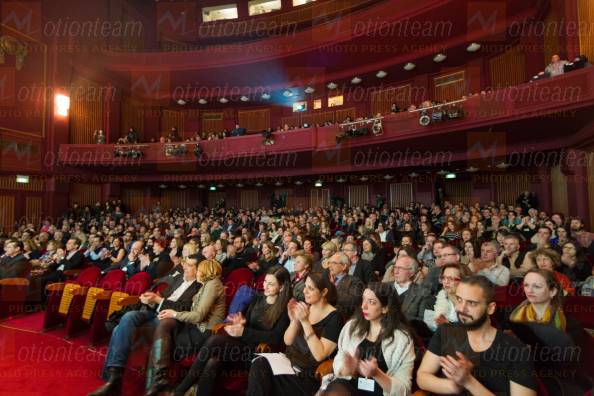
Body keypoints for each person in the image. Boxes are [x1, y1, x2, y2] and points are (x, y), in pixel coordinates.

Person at [88, 257, 201, 396]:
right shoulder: (179, 280)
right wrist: (150, 299)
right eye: (185, 264)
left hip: (168, 322)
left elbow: (185, 308)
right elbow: (161, 298)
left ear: (198, 269)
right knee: (129, 316)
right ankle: (115, 377)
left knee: (118, 329)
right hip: (153, 313)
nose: (184, 267)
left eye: (189, 265)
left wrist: (158, 300)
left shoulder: (199, 287)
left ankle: (113, 379)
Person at [172, 266, 291, 396]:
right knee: (213, 362)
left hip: (258, 355)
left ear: (282, 287)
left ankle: (179, 390)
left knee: (215, 340)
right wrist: (242, 323)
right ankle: (185, 390)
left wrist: (244, 332)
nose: (265, 286)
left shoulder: (285, 308)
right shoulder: (258, 298)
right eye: (265, 282)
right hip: (242, 346)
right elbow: (249, 324)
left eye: (271, 284)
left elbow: (275, 337)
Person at [416, 276, 537, 396]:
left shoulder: (515, 350)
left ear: (490, 308)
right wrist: (454, 386)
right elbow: (422, 377)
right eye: (459, 299)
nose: (462, 308)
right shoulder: (445, 332)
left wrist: (468, 381)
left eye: (472, 303)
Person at [246, 272, 341, 396]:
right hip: (288, 363)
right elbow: (288, 341)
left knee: (264, 380)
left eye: (311, 289)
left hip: (307, 375)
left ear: (323, 292)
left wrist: (305, 323)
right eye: (305, 286)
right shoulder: (305, 307)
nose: (305, 291)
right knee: (259, 363)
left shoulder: (335, 317)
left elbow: (319, 355)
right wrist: (295, 321)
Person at [144, 259, 226, 396]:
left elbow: (198, 316)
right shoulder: (207, 285)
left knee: (164, 342)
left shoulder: (213, 285)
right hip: (195, 328)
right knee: (162, 340)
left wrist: (174, 313)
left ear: (206, 271)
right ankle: (156, 383)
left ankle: (156, 384)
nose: (197, 272)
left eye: (199, 269)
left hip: (204, 332)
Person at [320, 282, 416, 396]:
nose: (363, 306)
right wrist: (347, 369)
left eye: (371, 302)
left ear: (385, 308)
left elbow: (404, 390)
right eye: (363, 300)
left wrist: (377, 374)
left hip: (380, 391)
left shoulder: (402, 339)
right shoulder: (352, 327)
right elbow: (339, 360)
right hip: (351, 384)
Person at [425, 263, 471, 331]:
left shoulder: (472, 303)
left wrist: (448, 324)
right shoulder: (433, 301)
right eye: (443, 278)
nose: (446, 282)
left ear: (464, 280)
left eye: (451, 279)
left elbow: (475, 331)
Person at [385, 256, 430, 322]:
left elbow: (421, 322)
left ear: (411, 272)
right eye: (395, 267)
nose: (396, 271)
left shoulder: (422, 293)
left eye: (400, 268)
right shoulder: (384, 287)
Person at [327, 252, 364, 321]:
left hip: (342, 318)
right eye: (329, 262)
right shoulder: (326, 279)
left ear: (344, 266)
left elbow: (353, 302)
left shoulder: (355, 281)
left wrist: (333, 287)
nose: (330, 266)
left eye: (334, 263)